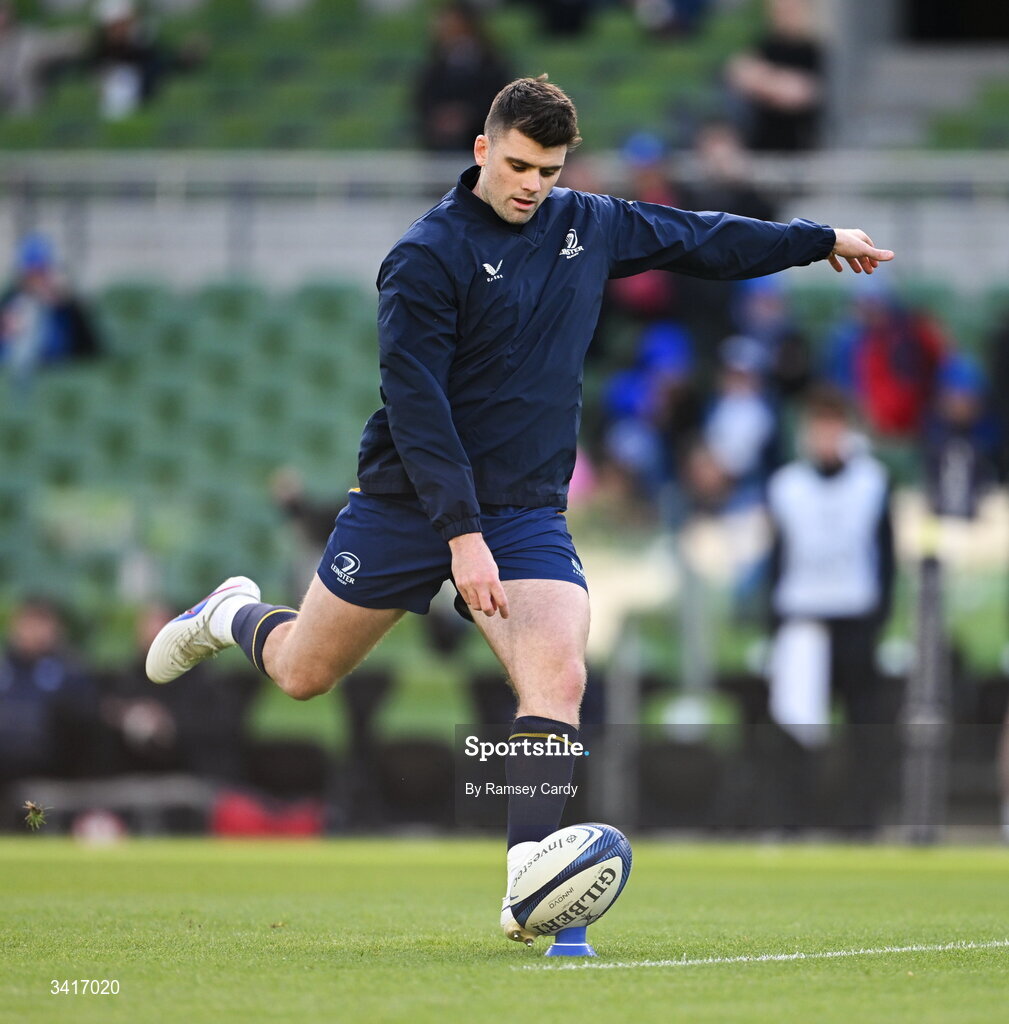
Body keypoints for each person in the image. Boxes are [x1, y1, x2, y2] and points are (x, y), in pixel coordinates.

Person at [145, 76, 893, 945]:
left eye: (548, 167)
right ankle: (231, 612)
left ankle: (527, 880)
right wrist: (459, 535)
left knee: (558, 676)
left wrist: (816, 241)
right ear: (480, 151)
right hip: (411, 498)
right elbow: (415, 407)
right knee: (303, 674)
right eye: (517, 165)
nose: (532, 184)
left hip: (526, 507)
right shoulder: (424, 257)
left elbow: (699, 237)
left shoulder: (585, 223)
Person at [765, 387, 895, 831]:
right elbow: (778, 558)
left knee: (863, 728)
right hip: (804, 618)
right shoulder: (787, 487)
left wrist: (879, 617)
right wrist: (774, 623)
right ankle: (795, 819)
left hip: (854, 618)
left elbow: (886, 556)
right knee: (796, 726)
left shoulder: (871, 482)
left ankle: (860, 820)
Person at [0, 233, 102, 385]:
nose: (36, 280)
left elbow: (94, 350)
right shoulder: (10, 301)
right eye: (31, 274)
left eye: (41, 273)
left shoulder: (66, 305)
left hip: (56, 381)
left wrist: (68, 305)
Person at [725, 0, 825, 152]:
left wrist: (762, 81)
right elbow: (738, 75)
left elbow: (798, 95)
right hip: (761, 146)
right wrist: (779, 84)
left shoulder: (813, 51)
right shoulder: (763, 45)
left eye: (790, 9)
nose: (785, 15)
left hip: (801, 148)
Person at [414, 2, 511, 152]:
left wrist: (466, 116)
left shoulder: (491, 63)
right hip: (438, 145)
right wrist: (441, 117)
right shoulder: (434, 65)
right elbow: (422, 99)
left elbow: (501, 97)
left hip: (480, 141)